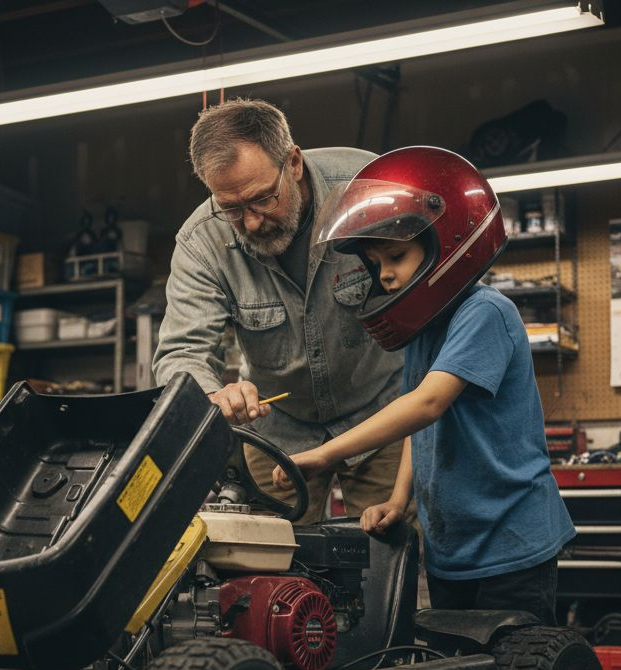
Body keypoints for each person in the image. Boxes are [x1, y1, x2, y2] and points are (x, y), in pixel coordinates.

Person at [271, 145, 575, 625]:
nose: (386, 276)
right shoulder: (425, 330)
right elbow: (421, 424)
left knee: (519, 667)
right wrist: (399, 500)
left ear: (450, 243)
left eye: (396, 256)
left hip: (511, 546)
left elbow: (429, 403)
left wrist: (325, 454)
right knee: (459, 663)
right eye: (376, 265)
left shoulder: (485, 312)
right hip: (453, 549)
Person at [153, 98, 404, 525]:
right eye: (231, 208)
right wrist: (213, 395)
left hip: (381, 416)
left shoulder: (367, 187)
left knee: (391, 550)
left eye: (261, 199)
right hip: (279, 432)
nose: (251, 222)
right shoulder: (201, 243)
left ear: (293, 163)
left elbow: (429, 289)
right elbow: (181, 352)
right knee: (272, 558)